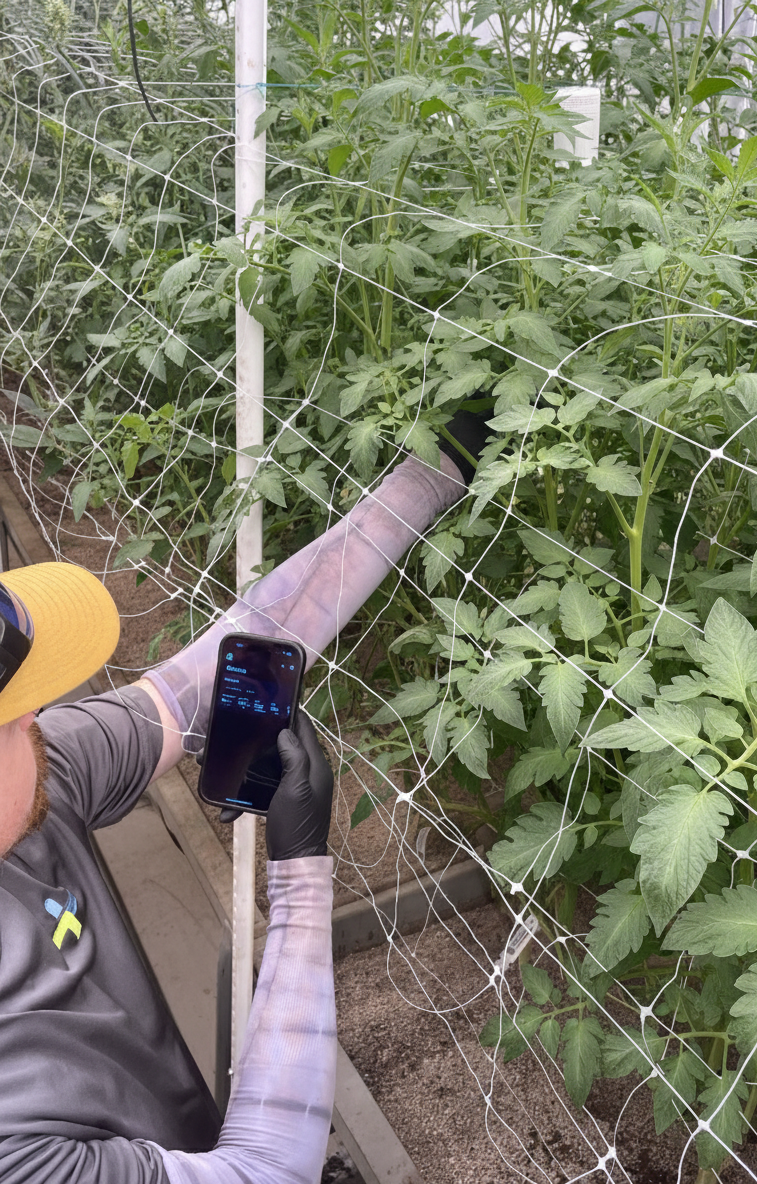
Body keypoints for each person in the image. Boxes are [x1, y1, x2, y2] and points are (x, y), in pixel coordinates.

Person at [0, 436, 480, 1184]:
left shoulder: (38, 781)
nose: (41, 719)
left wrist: (433, 475)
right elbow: (266, 1171)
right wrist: (300, 876)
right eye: (15, 718)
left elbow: (195, 684)